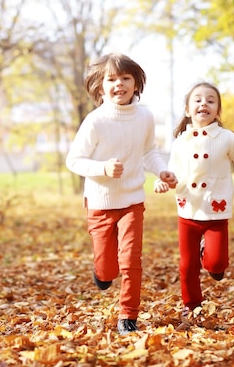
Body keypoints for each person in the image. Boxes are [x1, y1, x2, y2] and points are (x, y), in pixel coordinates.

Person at [66, 53, 177, 335]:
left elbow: (149, 150)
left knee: (131, 259)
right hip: (101, 202)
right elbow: (74, 160)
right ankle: (102, 273)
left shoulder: (145, 116)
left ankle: (128, 315)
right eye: (111, 79)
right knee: (107, 269)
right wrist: (102, 167)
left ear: (136, 83)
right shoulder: (95, 121)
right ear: (100, 86)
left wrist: (161, 170)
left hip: (132, 200)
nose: (119, 84)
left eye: (125, 78)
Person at [154, 81, 234, 330]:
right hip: (188, 208)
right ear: (188, 110)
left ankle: (207, 256)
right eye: (198, 100)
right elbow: (173, 174)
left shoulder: (226, 138)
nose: (204, 104)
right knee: (187, 266)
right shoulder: (180, 142)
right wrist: (163, 182)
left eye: (211, 100)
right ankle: (192, 305)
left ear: (217, 110)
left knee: (217, 264)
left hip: (215, 211)